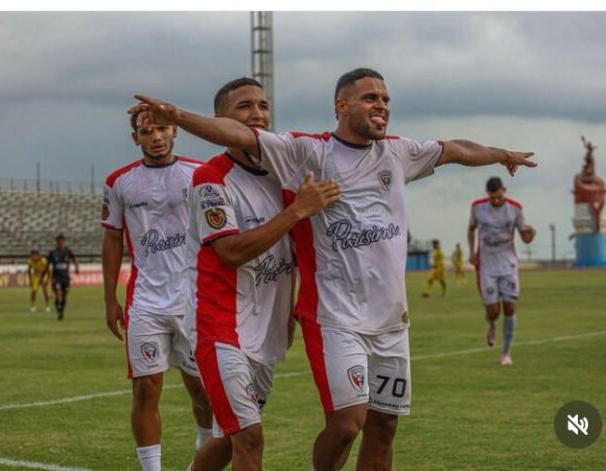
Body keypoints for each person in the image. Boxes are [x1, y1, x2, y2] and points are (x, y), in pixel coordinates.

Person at [129, 67, 536, 471]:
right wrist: (177, 117)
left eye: (385, 99)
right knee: (330, 427)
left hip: (385, 322)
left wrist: (501, 155)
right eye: (370, 98)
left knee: (380, 426)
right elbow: (241, 152)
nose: (381, 105)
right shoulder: (304, 156)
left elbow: (453, 150)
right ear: (341, 106)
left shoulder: (390, 154)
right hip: (321, 319)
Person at [183, 78, 339, 471]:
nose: (258, 114)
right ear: (220, 122)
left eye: (263, 105)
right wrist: (296, 210)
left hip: (267, 333)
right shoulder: (210, 179)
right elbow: (230, 251)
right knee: (249, 439)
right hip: (222, 328)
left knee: (227, 439)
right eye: (244, 106)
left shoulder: (285, 174)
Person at [101, 110, 212, 471]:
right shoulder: (119, 182)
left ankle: (203, 451)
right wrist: (109, 298)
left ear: (175, 130)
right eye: (146, 131)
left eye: (162, 129)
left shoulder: (199, 174)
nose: (156, 137)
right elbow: (113, 237)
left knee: (202, 390)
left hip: (193, 300)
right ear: (136, 138)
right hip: (146, 301)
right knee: (146, 389)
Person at [468, 177, 535, 366]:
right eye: (492, 198)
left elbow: (526, 237)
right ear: (487, 194)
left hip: (508, 264)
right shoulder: (477, 207)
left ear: (504, 191)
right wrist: (471, 251)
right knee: (493, 311)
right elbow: (471, 228)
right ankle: (491, 325)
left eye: (499, 197)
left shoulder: (515, 209)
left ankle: (506, 353)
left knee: (510, 307)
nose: (496, 201)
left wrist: (532, 233)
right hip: (487, 265)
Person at [48, 234, 79, 320]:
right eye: (59, 241)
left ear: (64, 242)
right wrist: (48, 274)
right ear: (57, 242)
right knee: (58, 293)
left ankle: (61, 310)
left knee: (65, 295)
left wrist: (77, 268)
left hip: (65, 277)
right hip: (56, 277)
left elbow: (74, 258)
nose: (60, 243)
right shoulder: (53, 253)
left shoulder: (68, 251)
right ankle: (58, 311)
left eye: (62, 241)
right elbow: (48, 264)